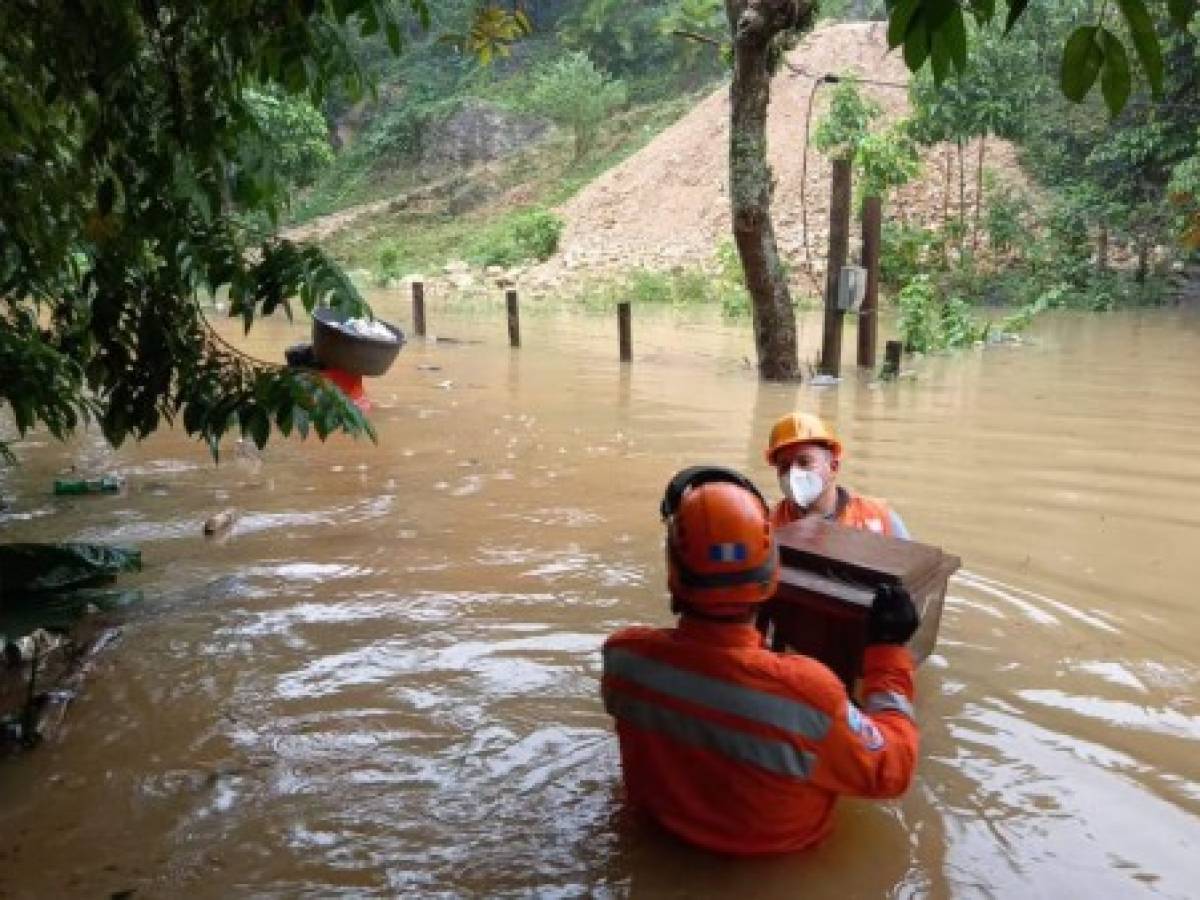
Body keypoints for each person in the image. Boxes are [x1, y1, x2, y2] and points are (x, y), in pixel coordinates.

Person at [601, 466, 920, 855]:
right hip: (783, 870)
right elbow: (893, 771)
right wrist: (887, 653)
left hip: (656, 848)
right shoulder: (808, 695)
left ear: (673, 574)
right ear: (773, 573)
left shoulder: (624, 660)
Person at [765, 412, 910, 537]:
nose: (792, 473)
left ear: (833, 467)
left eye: (804, 462)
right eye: (784, 466)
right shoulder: (769, 525)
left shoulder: (878, 518)